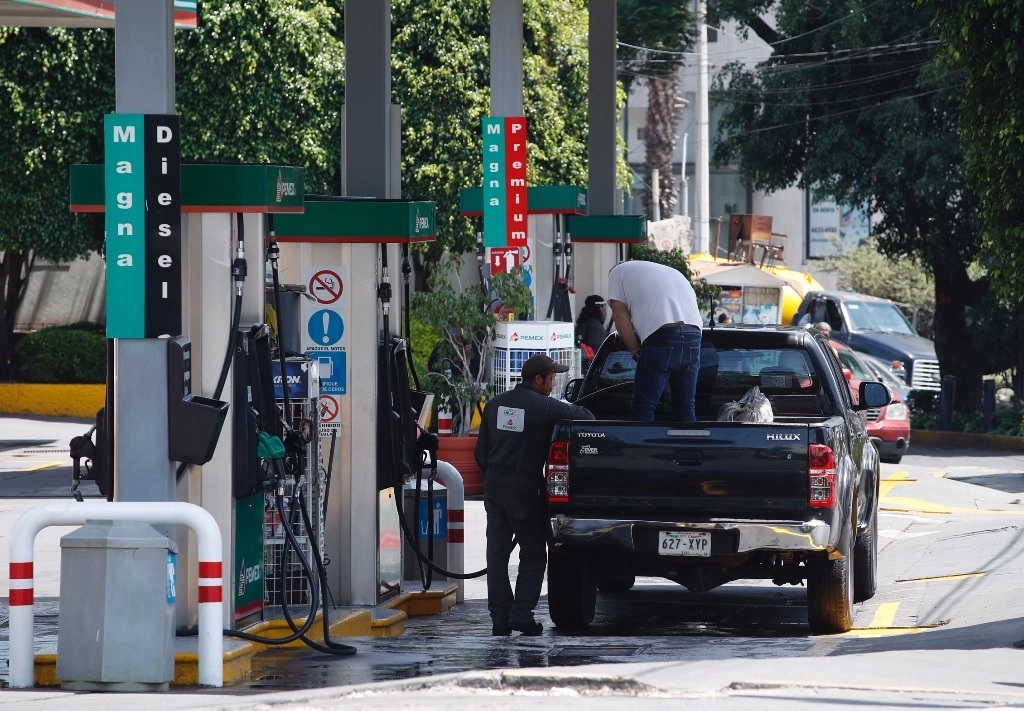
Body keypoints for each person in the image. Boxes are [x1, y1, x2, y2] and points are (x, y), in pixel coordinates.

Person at [474, 354, 595, 637]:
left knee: (497, 554)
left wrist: (495, 477)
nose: (553, 385)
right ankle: (522, 613)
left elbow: (481, 452)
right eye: (552, 379)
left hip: (494, 486)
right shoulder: (543, 406)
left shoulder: (494, 405)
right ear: (538, 379)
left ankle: (500, 618)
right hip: (525, 488)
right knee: (533, 552)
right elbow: (586, 417)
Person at [607, 260, 703, 422]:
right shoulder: (671, 272)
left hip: (661, 336)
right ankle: (689, 446)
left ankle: (642, 447)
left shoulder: (617, 272)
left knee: (643, 407)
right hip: (694, 335)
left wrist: (636, 351)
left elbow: (619, 316)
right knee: (685, 407)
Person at [575, 295, 610, 368]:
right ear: (600, 308)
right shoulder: (594, 325)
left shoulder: (584, 322)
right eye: (604, 308)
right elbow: (600, 350)